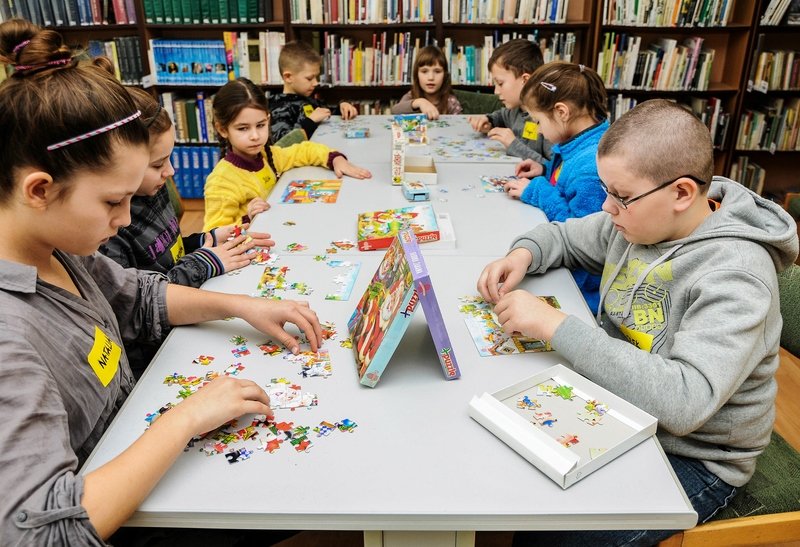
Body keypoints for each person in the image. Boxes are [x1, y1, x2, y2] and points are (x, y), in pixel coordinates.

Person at [0, 20, 322, 545]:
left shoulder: (57, 246)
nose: (126, 220)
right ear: (39, 189)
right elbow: (41, 534)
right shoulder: (8, 336)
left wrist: (241, 304)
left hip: (141, 446)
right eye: (112, 201)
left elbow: (138, 294)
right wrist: (185, 418)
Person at [477, 99, 799, 547]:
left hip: (694, 456)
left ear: (682, 193)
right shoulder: (637, 220)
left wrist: (557, 326)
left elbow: (685, 401)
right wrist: (521, 254)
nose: (607, 207)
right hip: (618, 406)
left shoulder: (737, 274)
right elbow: (563, 234)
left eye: (620, 196)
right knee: (507, 476)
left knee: (550, 536)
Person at [99, 87, 275, 378]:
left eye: (170, 158)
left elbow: (166, 251)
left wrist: (204, 241)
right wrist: (206, 261)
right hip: (157, 355)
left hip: (186, 324)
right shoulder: (110, 228)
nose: (171, 172)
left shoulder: (153, 189)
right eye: (158, 164)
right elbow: (144, 300)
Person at [504, 61, 610, 312]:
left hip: (580, 293)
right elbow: (564, 181)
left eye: (539, 121)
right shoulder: (579, 141)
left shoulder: (591, 168)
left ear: (562, 112)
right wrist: (544, 169)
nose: (538, 130)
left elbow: (584, 238)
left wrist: (536, 191)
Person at [202, 77, 371, 231]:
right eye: (243, 128)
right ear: (223, 129)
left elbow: (302, 151)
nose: (255, 135)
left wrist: (335, 159)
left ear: (268, 120)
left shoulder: (267, 155)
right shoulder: (221, 182)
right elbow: (213, 237)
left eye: (260, 125)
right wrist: (248, 218)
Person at [467, 38, 552, 163]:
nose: (496, 91)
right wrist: (489, 120)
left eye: (500, 83)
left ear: (525, 80)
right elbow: (502, 115)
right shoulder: (516, 109)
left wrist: (513, 144)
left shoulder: (550, 122)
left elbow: (556, 171)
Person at [269, 41, 357, 141]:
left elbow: (327, 113)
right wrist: (310, 121)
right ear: (288, 77)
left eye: (316, 77)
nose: (316, 83)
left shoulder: (310, 100)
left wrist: (342, 107)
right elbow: (282, 141)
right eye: (309, 78)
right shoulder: (277, 108)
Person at [390, 45, 462, 119]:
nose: (431, 78)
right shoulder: (411, 95)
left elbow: (460, 126)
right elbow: (395, 110)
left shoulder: (451, 102)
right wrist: (419, 102)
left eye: (437, 71)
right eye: (424, 71)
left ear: (445, 75)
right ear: (417, 75)